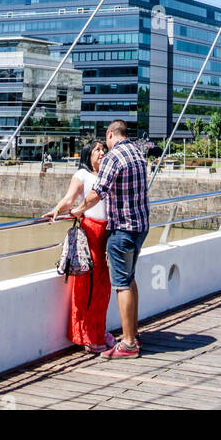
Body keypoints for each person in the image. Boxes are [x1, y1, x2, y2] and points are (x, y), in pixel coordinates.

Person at [75, 119, 149, 360]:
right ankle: (133, 334)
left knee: (121, 284)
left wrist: (79, 209)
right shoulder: (138, 153)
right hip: (140, 227)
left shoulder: (113, 157)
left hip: (122, 230)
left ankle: (127, 344)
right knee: (130, 279)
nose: (103, 150)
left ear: (110, 134)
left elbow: (98, 192)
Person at [44, 141, 113, 355]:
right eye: (97, 150)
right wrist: (56, 210)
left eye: (103, 149)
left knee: (104, 288)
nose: (102, 153)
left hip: (108, 232)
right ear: (87, 154)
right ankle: (87, 336)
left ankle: (99, 331)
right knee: (89, 286)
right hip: (91, 233)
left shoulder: (107, 174)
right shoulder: (82, 175)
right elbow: (69, 199)